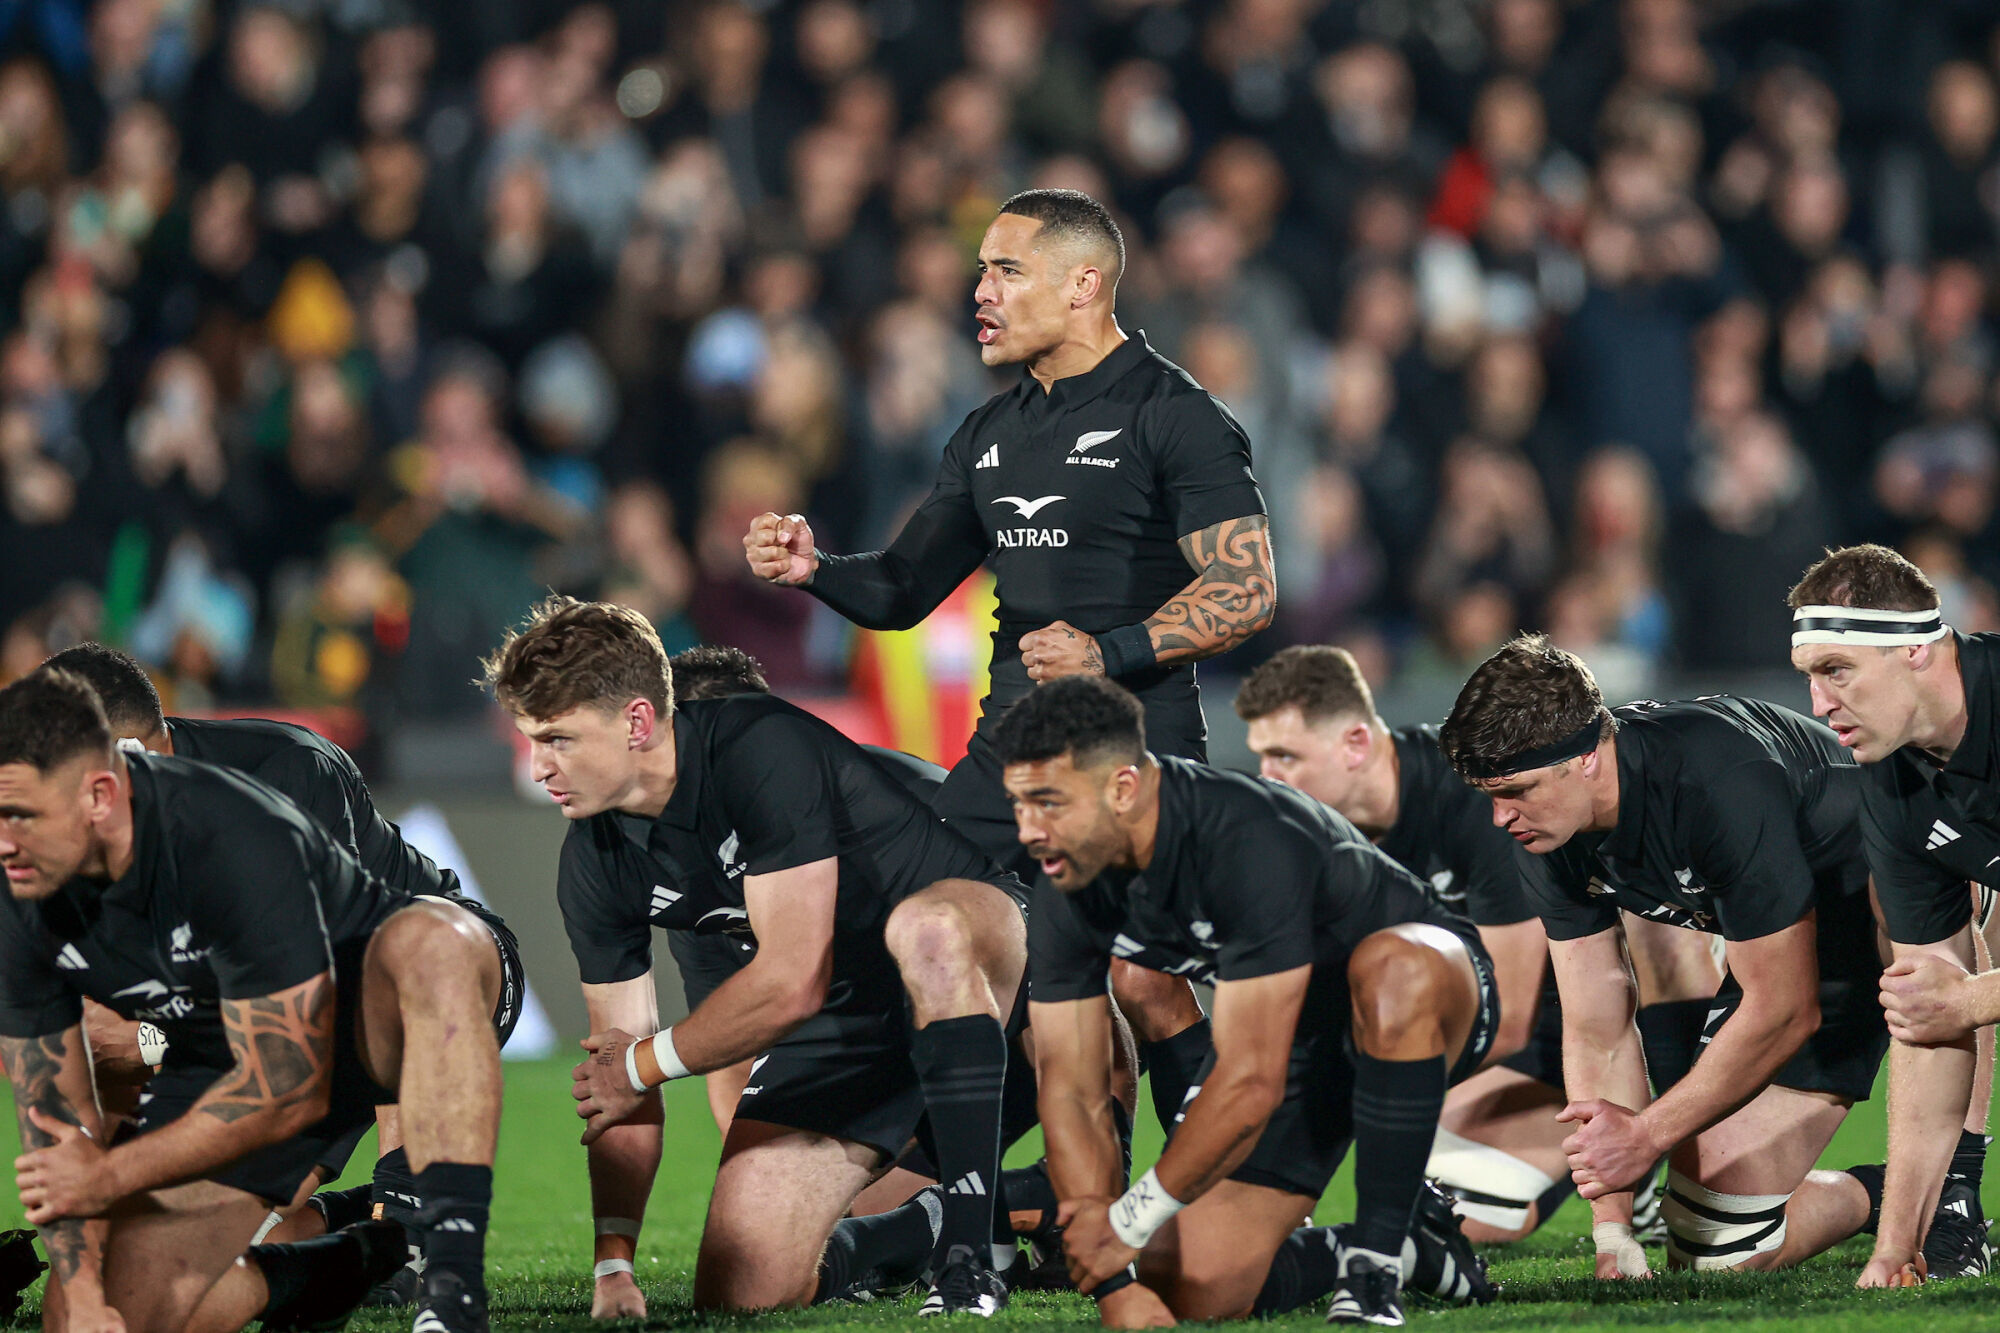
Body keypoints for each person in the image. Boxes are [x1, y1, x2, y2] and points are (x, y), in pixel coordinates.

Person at [744, 187, 1277, 1130]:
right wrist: (816, 568)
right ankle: (984, 1190)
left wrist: (1108, 651)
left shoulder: (1177, 415)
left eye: (1006, 270)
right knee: (921, 937)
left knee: (1142, 980)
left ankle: (1230, 1173)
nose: (980, 291)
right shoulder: (988, 434)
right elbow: (903, 589)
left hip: (1133, 746)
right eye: (981, 270)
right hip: (1004, 758)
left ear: (1083, 284)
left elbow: (1247, 587)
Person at [485, 599, 1031, 1316]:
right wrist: (612, 1264)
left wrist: (642, 1063)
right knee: (741, 1288)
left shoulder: (758, 744)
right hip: (845, 1013)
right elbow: (617, 1076)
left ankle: (973, 1257)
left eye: (557, 738)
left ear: (638, 721)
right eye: (531, 739)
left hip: (978, 968)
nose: (538, 767)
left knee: (929, 931)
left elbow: (789, 983)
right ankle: (914, 1229)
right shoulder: (596, 858)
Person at [0, 669, 504, 1333]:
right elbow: (61, 1125)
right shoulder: (20, 892)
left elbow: (289, 1076)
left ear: (102, 789)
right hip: (231, 1039)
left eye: (23, 816)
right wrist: (85, 1287)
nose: (5, 841)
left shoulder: (244, 815)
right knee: (97, 1313)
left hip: (368, 1000)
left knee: (428, 940)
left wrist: (116, 1164)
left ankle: (450, 1286)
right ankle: (324, 1267)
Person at [1000, 676, 1497, 1328]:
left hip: (1428, 996)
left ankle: (1373, 1267)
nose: (1029, 830)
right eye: (1018, 803)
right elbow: (1069, 1087)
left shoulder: (1246, 836)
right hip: (1294, 1032)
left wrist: (1129, 1219)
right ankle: (1416, 1247)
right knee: (1185, 1282)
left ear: (1122, 788)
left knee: (1390, 969)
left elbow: (1251, 1080)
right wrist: (1113, 1278)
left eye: (1047, 802)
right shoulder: (1068, 882)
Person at [1437, 635, 1890, 1280]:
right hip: (1779, 938)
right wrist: (1613, 1231)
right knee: (1709, 1248)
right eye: (1489, 794)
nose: (1499, 818)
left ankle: (1935, 1190)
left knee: (1713, 1235)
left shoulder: (1712, 782)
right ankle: (1882, 1191)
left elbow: (1785, 1009)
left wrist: (1648, 1135)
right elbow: (1596, 1024)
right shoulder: (1547, 830)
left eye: (1517, 790)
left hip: (1886, 914)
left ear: (1586, 757)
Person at [1234, 645, 1722, 1242]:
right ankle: (1627, 1177)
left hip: (1580, 1023)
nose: (1268, 776)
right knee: (1449, 1210)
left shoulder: (1478, 798)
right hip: (1507, 1039)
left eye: (1284, 755)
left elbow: (1510, 1019)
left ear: (1355, 743)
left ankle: (1671, 1160)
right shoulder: (1315, 842)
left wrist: (1371, 1089)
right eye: (1262, 756)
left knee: (1658, 934)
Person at [1787, 544, 2000, 1284]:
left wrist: (1971, 999)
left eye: (1836, 670)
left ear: (1913, 648)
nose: (1819, 705)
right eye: (1810, 677)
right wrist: (1894, 1246)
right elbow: (1926, 1011)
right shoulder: (1890, 779)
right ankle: (1941, 1216)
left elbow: (1956, 1001)